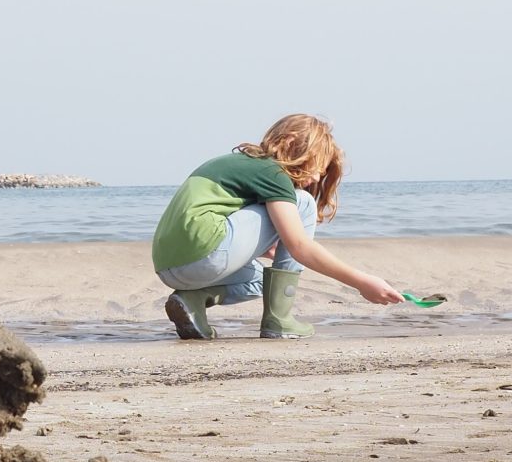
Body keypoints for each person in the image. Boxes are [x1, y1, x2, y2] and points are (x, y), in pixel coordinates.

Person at [152, 113, 401, 340]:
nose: (315, 178)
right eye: (316, 166)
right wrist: (362, 282)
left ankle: (192, 300)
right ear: (291, 143)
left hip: (168, 266)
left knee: (262, 281)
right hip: (205, 254)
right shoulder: (273, 173)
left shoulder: (240, 164)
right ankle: (279, 321)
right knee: (302, 202)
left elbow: (208, 216)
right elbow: (300, 246)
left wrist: (261, 246)